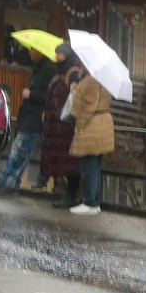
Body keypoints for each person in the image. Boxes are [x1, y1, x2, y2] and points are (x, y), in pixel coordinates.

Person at [0, 47, 54, 196]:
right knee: (21, 153)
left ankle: (5, 182)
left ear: (40, 51)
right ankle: (10, 183)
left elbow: (48, 96)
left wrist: (32, 94)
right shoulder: (39, 69)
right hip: (30, 116)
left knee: (18, 150)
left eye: (33, 50)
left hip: (34, 118)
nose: (30, 52)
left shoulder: (47, 71)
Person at [40, 44, 83, 210]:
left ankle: (71, 196)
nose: (57, 56)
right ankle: (64, 194)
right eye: (56, 52)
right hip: (57, 126)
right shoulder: (60, 72)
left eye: (60, 53)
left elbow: (71, 99)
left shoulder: (73, 73)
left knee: (70, 162)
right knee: (62, 161)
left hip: (65, 125)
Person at [68, 72, 115, 215]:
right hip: (101, 123)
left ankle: (90, 202)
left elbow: (89, 105)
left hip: (92, 126)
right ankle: (94, 202)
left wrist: (80, 124)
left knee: (89, 166)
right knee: (95, 165)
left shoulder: (90, 80)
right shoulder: (104, 78)